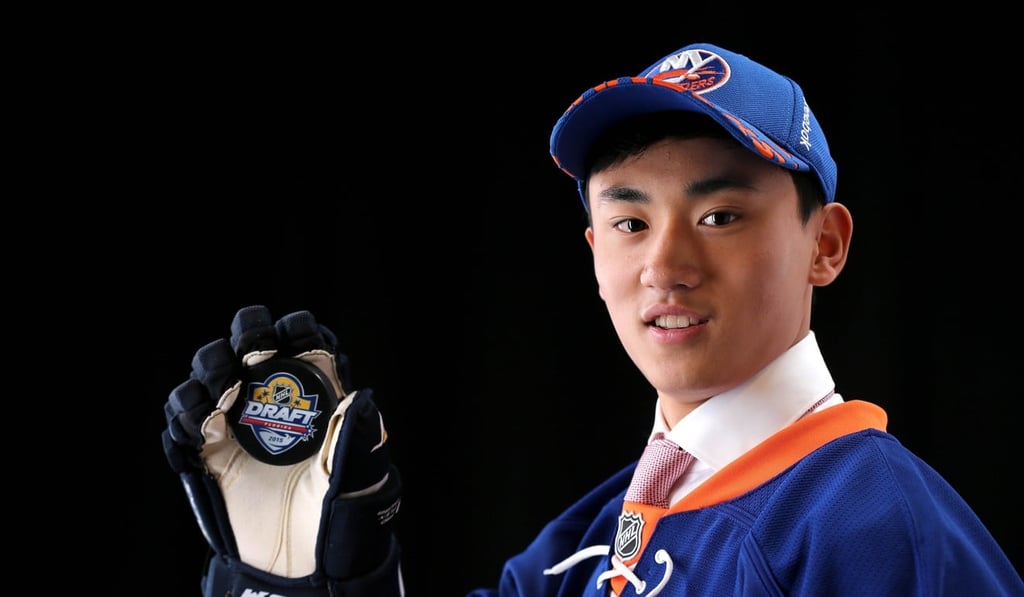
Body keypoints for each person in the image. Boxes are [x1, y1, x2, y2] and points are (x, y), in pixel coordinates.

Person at [161, 42, 1024, 596]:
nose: (666, 265)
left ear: (825, 245)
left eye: (719, 216)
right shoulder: (583, 544)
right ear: (594, 252)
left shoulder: (878, 526)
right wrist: (290, 581)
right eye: (630, 221)